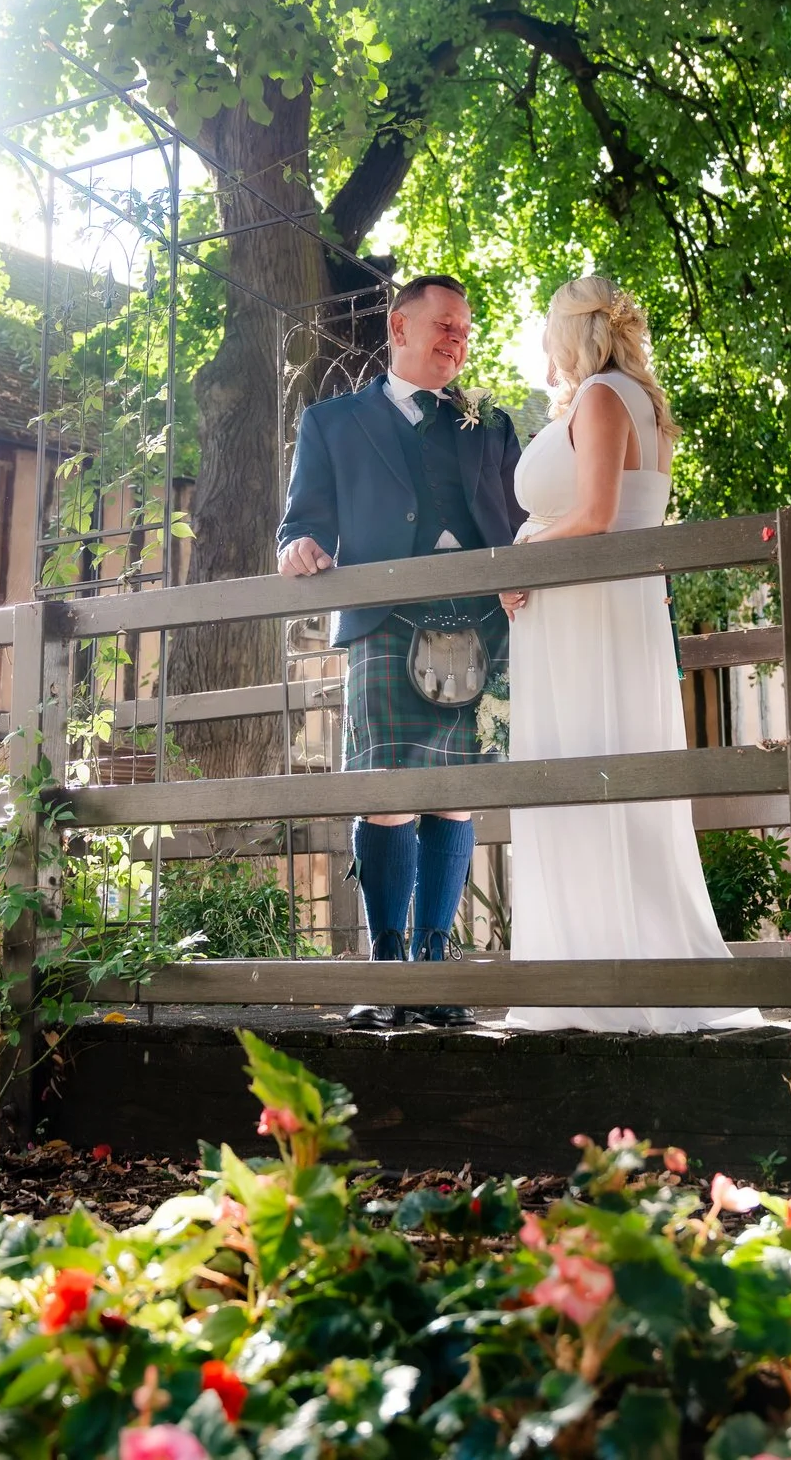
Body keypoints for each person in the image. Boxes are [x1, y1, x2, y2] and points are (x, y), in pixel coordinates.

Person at [497, 276, 764, 1033]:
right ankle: (591, 963)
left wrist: (520, 553)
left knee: (594, 764)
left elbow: (597, 515)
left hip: (592, 609)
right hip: (597, 608)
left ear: (571, 332)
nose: (543, 350)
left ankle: (609, 979)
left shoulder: (604, 396)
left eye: (547, 333)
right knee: (591, 768)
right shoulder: (625, 397)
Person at [278, 275, 527, 1028]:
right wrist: (297, 547)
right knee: (384, 794)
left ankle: (435, 972)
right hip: (388, 619)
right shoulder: (332, 422)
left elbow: (521, 522)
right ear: (399, 326)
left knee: (455, 799)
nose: (457, 338)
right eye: (444, 324)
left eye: (465, 329)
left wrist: (524, 574)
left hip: (481, 620)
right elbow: (300, 522)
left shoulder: (491, 423)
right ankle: (387, 976)